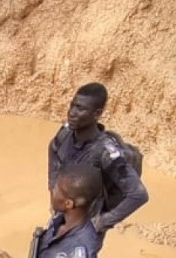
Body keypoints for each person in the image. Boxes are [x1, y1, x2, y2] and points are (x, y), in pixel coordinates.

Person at [47, 82, 148, 234]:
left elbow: (138, 194)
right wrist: (53, 188)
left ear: (97, 114)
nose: (72, 113)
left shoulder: (106, 152)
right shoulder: (66, 132)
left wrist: (100, 223)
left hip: (85, 226)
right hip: (61, 214)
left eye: (80, 109)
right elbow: (53, 148)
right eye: (72, 105)